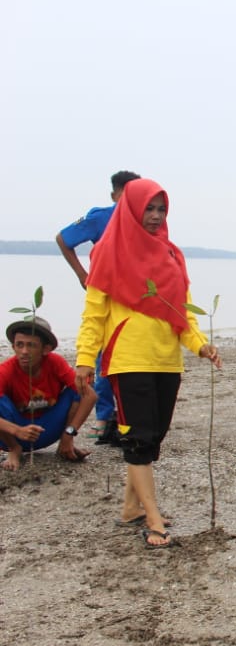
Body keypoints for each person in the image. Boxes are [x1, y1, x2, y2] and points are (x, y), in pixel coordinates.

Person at [75, 178, 222, 548]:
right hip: (128, 360)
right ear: (131, 209)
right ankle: (153, 518)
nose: (155, 216)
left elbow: (181, 315)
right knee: (138, 440)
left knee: (153, 439)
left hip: (167, 361)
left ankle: (130, 508)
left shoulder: (172, 255)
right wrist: (83, 360)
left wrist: (201, 345)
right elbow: (93, 315)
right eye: (148, 209)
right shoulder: (109, 252)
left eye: (161, 209)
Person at [54, 169, 141, 446]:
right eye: (126, 195)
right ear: (114, 194)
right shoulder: (101, 217)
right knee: (104, 361)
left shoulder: (144, 220)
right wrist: (82, 275)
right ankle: (105, 418)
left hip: (135, 303)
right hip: (105, 298)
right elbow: (63, 239)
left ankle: (126, 419)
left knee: (131, 360)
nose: (131, 200)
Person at [0, 316, 95, 470]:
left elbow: (91, 395)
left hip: (47, 430)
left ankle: (64, 447)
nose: (24, 351)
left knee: (78, 390)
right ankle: (14, 450)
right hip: (14, 434)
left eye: (31, 345)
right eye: (19, 345)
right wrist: (17, 430)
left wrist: (69, 435)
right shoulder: (6, 370)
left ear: (46, 349)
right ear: (13, 347)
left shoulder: (55, 363)